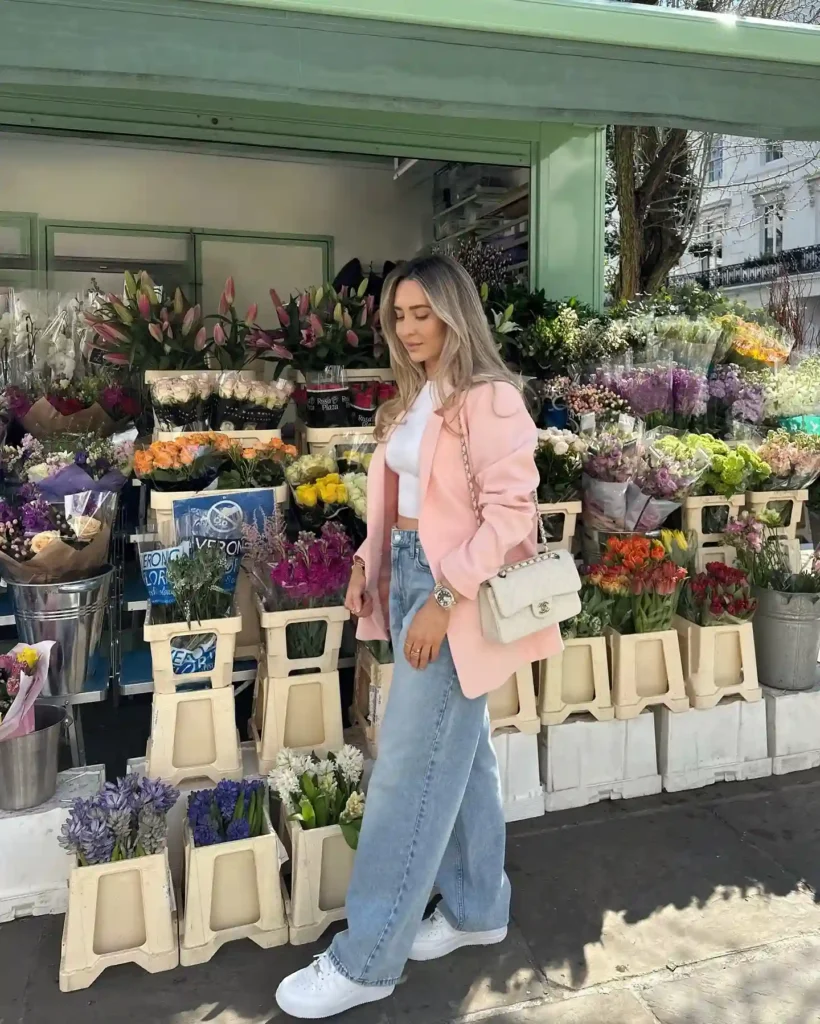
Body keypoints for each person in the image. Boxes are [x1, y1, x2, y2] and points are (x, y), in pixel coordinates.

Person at [276, 254, 562, 1019]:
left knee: (406, 769)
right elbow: (401, 505)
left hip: (452, 591)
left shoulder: (490, 399)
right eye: (398, 316)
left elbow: (509, 515)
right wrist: (370, 562)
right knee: (460, 758)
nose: (407, 329)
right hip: (408, 577)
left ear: (453, 312)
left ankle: (369, 958)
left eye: (421, 314)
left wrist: (442, 595)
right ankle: (476, 907)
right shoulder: (415, 398)